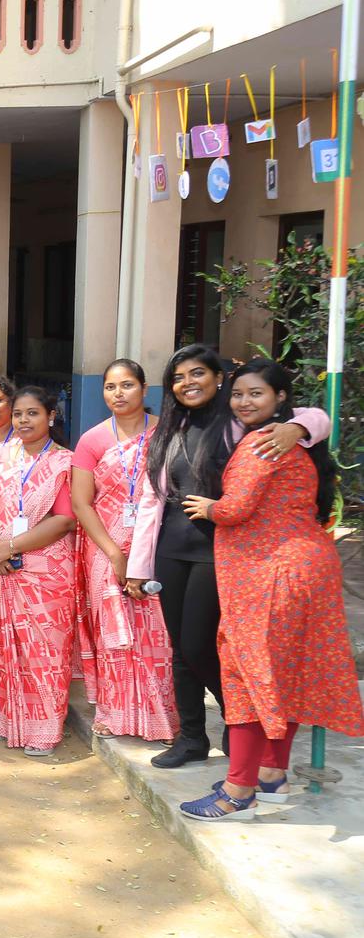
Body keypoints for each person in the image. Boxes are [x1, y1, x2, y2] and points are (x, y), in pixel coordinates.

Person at [175, 359, 363, 821]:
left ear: (280, 397)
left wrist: (212, 507)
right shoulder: (296, 441)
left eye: (256, 393)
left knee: (247, 675)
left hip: (271, 573)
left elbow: (238, 508)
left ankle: (238, 792)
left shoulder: (263, 442)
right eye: (238, 394)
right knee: (284, 675)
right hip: (307, 567)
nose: (244, 402)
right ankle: (271, 776)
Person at [127, 345, 327, 769]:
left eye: (197, 373)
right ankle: (192, 738)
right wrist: (138, 567)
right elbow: (151, 501)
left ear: (219, 378)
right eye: (179, 377)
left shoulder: (238, 422)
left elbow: (317, 417)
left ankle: (243, 722)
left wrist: (298, 429)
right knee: (180, 650)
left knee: (205, 647)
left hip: (221, 552)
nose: (188, 383)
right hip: (171, 553)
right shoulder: (168, 430)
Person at [69, 360, 179, 742]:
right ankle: (113, 712)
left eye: (127, 385)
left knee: (157, 633)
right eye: (111, 387)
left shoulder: (166, 433)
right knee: (114, 633)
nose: (118, 393)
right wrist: (115, 553)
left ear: (145, 389)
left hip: (156, 540)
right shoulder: (93, 440)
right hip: (105, 544)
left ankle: (162, 718)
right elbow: (82, 503)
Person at [0, 386, 78, 755]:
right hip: (2, 565)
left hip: (47, 572)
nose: (24, 421)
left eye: (33, 413)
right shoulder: (1, 457)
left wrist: (10, 546)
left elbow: (64, 520)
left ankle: (42, 730)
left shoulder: (65, 462)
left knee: (45, 653)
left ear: (51, 417)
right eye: (18, 414)